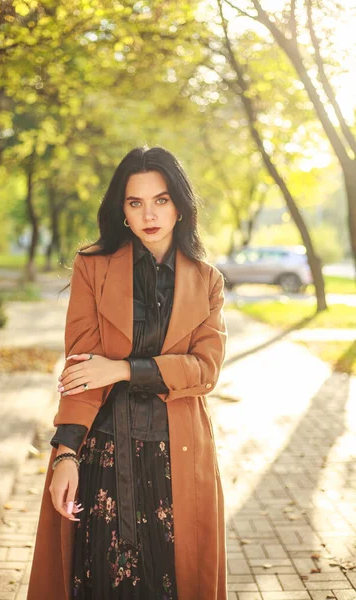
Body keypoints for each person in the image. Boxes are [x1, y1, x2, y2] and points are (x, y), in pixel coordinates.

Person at [27, 146, 228, 600]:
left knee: (172, 582)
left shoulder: (207, 279)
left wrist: (120, 369)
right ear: (122, 210)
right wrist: (65, 455)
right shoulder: (93, 267)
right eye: (135, 203)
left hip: (176, 452)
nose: (149, 214)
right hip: (102, 451)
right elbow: (79, 371)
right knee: (98, 580)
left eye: (160, 200)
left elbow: (206, 370)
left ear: (180, 205)